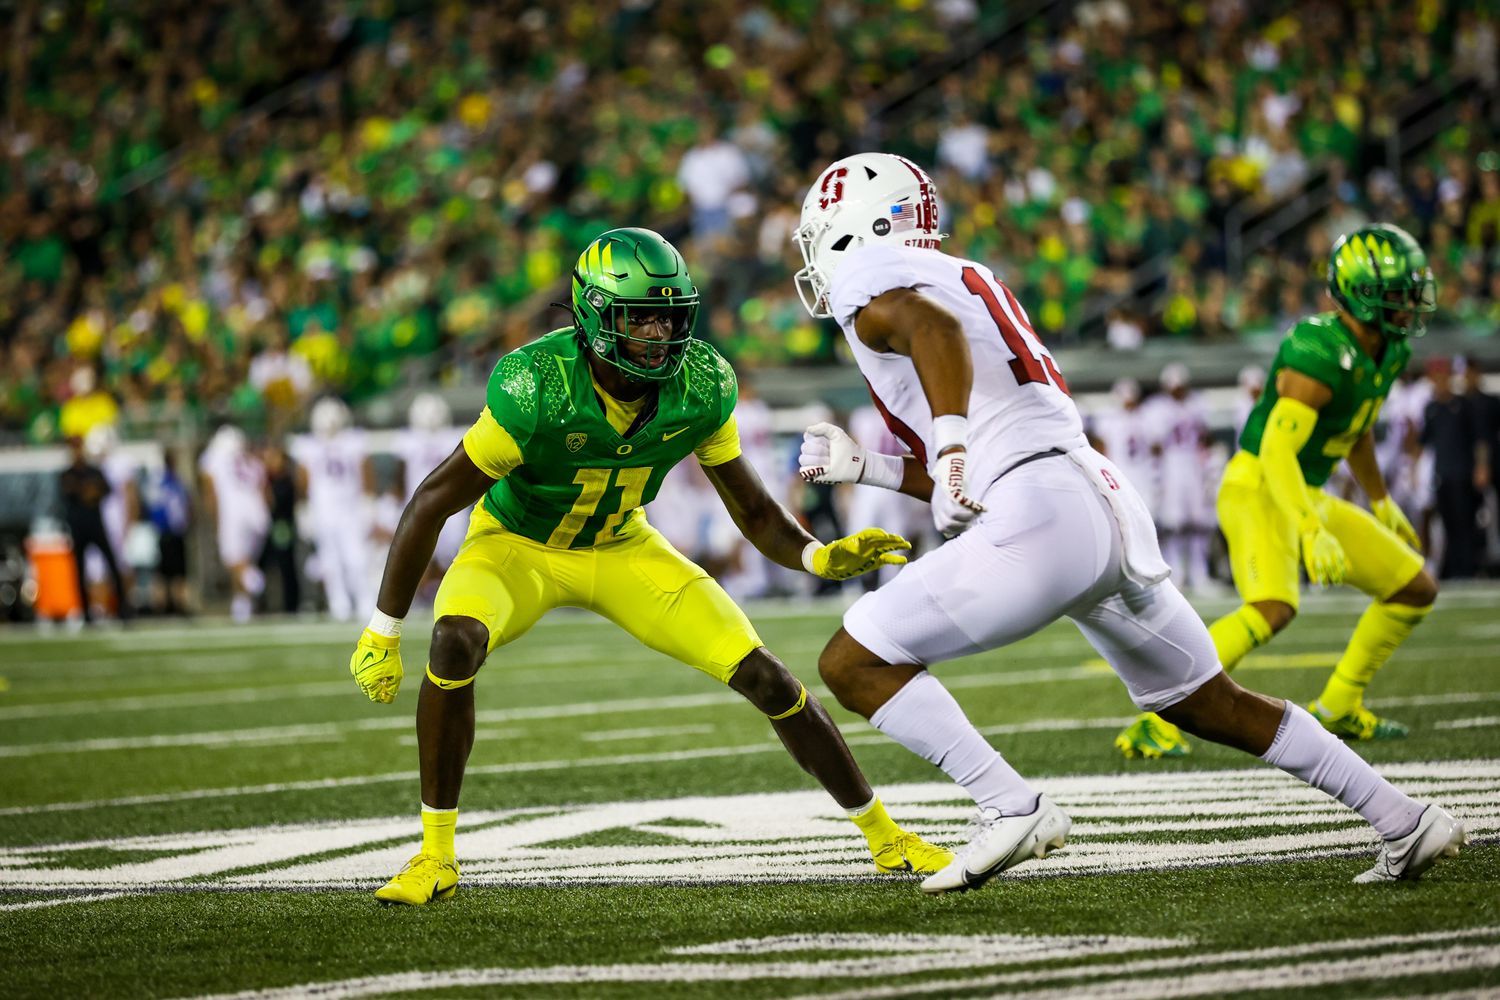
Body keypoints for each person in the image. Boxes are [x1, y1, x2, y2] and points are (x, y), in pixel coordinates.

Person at [791, 155, 1464, 894]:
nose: (818, 255)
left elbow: (933, 330)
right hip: (1092, 495)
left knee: (851, 663)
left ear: (865, 228)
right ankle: (1404, 817)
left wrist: (949, 449)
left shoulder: (880, 280)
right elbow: (983, 442)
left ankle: (1010, 805)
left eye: (823, 233)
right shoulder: (960, 271)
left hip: (1040, 510)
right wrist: (874, 469)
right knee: (1207, 701)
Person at [347, 227, 949, 906]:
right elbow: (430, 502)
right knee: (453, 640)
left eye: (669, 315)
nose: (659, 333)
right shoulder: (535, 383)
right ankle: (435, 854)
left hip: (622, 548)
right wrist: (382, 628)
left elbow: (751, 510)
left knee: (766, 675)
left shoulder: (701, 383)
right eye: (640, 318)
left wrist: (815, 553)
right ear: (594, 317)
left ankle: (884, 834)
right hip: (516, 546)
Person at [1120, 223, 1444, 759]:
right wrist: (1311, 529)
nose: (1411, 303)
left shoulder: (1387, 351)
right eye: (1399, 293)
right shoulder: (1317, 348)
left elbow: (1356, 425)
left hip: (1302, 488)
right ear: (1362, 296)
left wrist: (1381, 501)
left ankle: (1339, 705)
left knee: (1414, 589)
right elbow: (1276, 452)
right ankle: (1159, 720)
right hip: (1258, 484)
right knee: (1272, 607)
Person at [294, 398, 375, 621]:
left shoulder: (353, 441)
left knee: (357, 557)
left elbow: (365, 471)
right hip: (324, 511)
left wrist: (368, 503)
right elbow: (303, 480)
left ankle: (364, 601)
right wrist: (304, 509)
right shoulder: (308, 445)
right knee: (330, 561)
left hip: (349, 509)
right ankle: (339, 604)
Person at [1143, 363, 1212, 592]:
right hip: (1171, 467)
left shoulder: (1197, 403)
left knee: (1198, 522)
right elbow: (1154, 446)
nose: (1178, 391)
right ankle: (1176, 573)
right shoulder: (1156, 409)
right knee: (1173, 524)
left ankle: (1199, 573)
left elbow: (1205, 437)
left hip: (1192, 464)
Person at [198, 423, 269, 624]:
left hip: (232, 513)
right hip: (257, 512)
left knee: (234, 561)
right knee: (245, 559)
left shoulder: (214, 459)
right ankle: (242, 606)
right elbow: (264, 489)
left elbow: (210, 493)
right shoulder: (252, 461)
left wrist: (214, 518)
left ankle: (253, 580)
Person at [58, 435, 128, 622]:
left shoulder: (94, 471)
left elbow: (104, 490)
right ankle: (86, 612)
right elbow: (70, 493)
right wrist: (87, 491)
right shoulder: (67, 474)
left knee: (112, 565)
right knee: (80, 571)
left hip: (96, 525)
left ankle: (123, 608)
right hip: (78, 528)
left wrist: (87, 491)